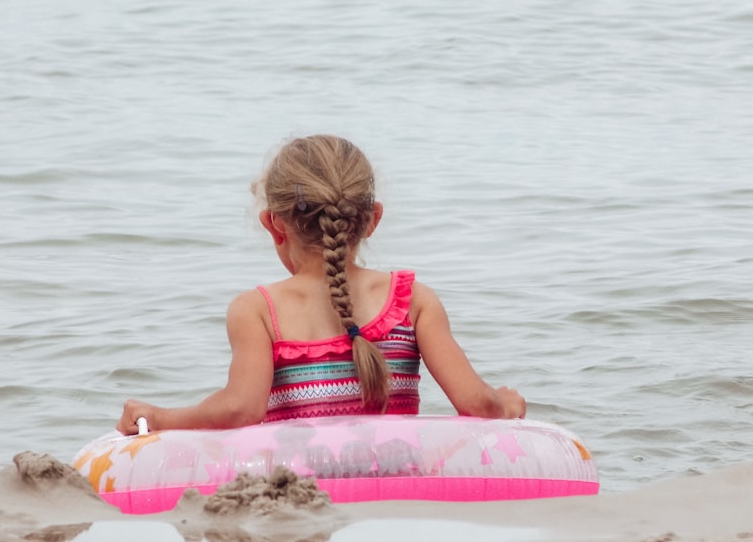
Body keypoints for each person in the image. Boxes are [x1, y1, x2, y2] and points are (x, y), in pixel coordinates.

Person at [116, 135, 526, 435]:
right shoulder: (412, 300)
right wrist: (505, 404)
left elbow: (240, 409)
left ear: (273, 224)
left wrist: (163, 418)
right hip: (395, 486)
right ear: (372, 219)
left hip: (299, 491)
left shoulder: (257, 310)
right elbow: (475, 404)